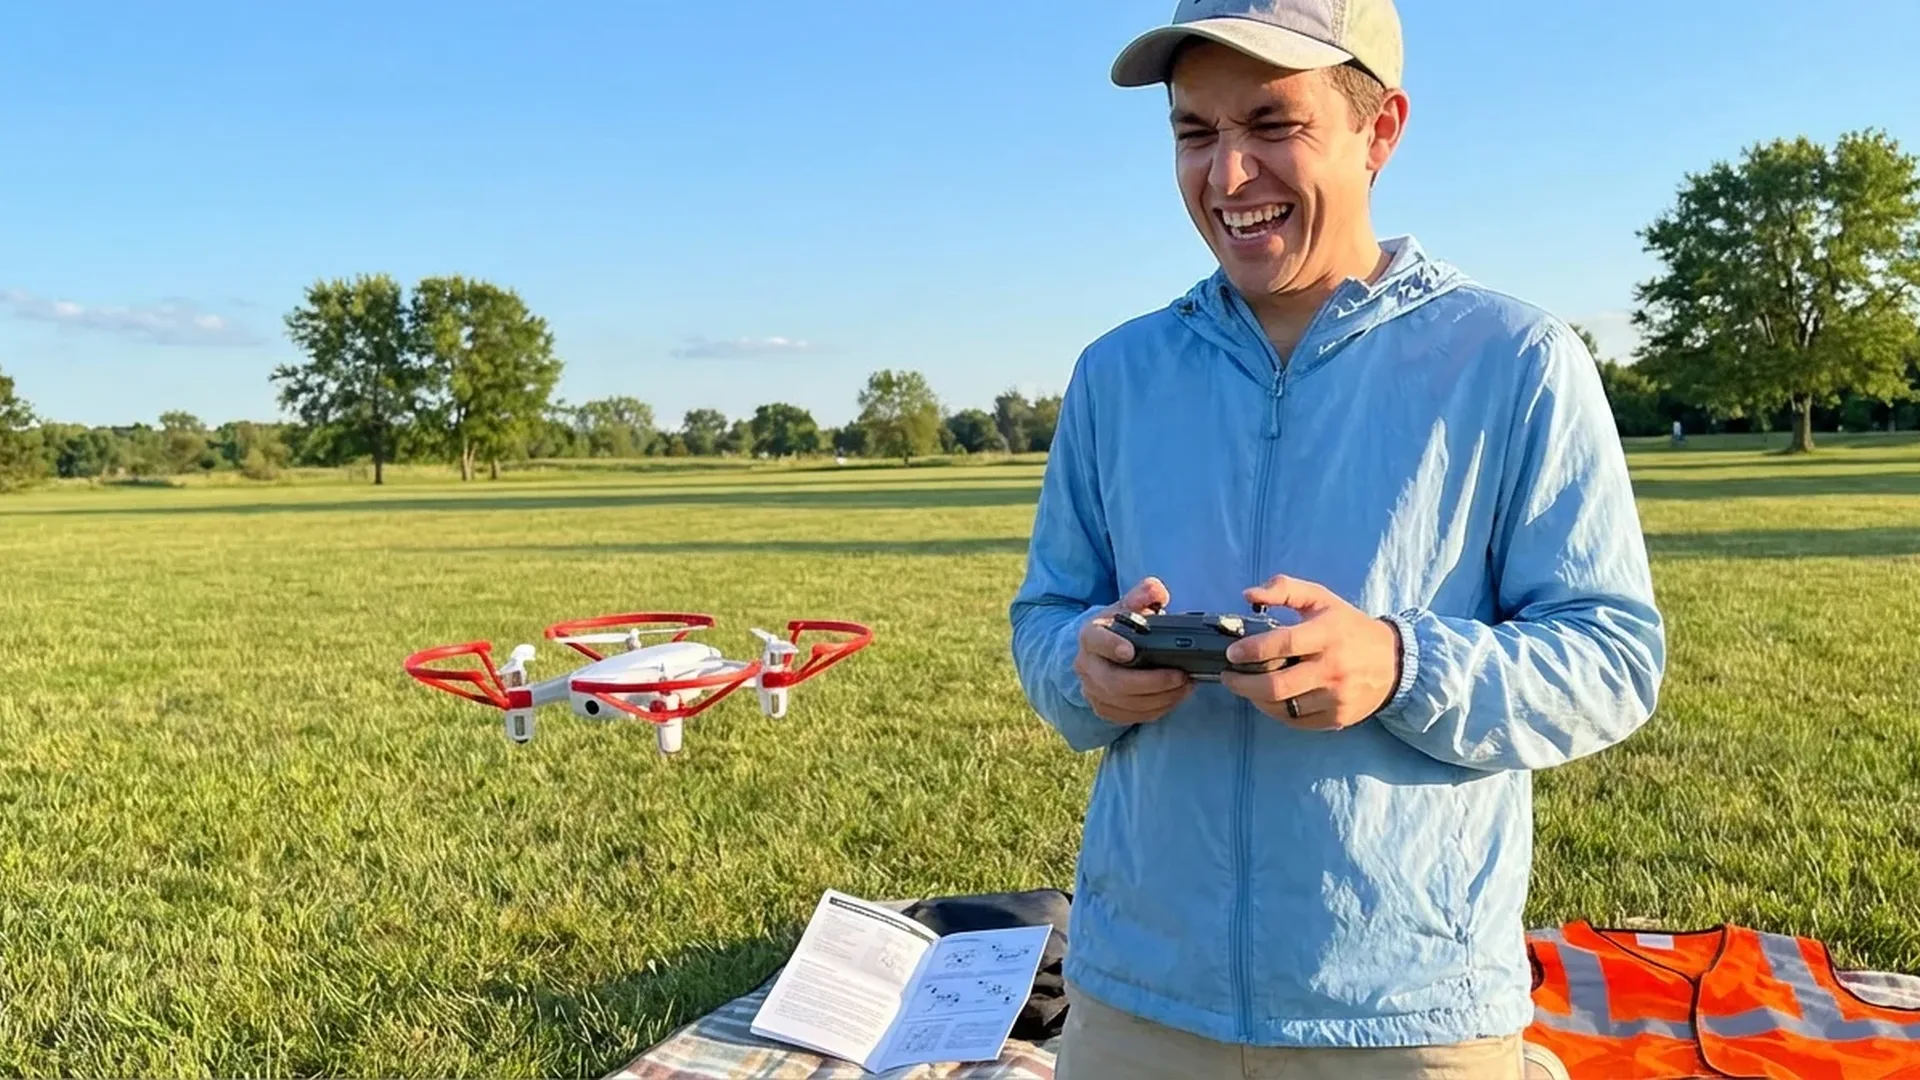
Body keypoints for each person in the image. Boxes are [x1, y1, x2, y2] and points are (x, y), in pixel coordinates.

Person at [1006, 2, 1665, 1078]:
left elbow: (1614, 659)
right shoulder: (1116, 375)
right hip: (1136, 1000)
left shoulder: (1516, 361)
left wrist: (1401, 663)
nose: (1227, 176)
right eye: (1194, 132)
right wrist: (1084, 665)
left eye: (1273, 124)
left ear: (1381, 130)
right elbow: (1045, 612)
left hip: (1407, 1011)